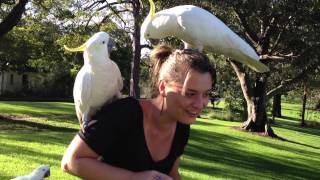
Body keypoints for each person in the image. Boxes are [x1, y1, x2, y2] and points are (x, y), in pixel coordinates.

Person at [61, 45, 215, 180]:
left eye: (206, 94)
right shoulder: (124, 113)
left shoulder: (182, 127)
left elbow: (172, 173)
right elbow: (72, 161)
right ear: (162, 87)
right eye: (190, 93)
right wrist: (132, 178)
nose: (200, 104)